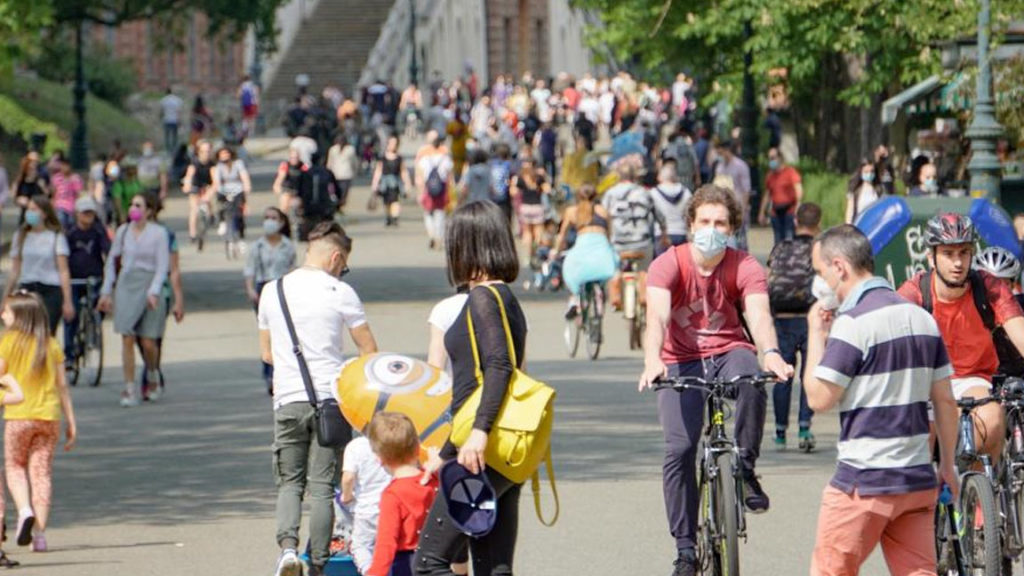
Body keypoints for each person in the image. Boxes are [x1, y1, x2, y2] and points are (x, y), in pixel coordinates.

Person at [637, 184, 794, 576]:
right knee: (680, 448)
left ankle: (745, 469)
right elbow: (655, 317)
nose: (711, 228)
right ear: (690, 225)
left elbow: (758, 316)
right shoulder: (667, 263)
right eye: (704, 221)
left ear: (732, 229)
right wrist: (652, 359)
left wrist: (770, 352)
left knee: (752, 379)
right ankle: (686, 550)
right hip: (679, 358)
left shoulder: (745, 266)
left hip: (729, 350)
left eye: (720, 223)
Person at [803, 224, 957, 576]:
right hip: (917, 479)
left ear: (839, 267)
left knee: (831, 570)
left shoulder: (854, 324)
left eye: (821, 271)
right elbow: (946, 401)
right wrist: (947, 465)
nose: (821, 281)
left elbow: (818, 397)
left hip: (864, 481)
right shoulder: (922, 319)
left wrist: (816, 334)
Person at [258, 222, 378, 576]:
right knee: (324, 487)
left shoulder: (272, 291)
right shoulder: (340, 292)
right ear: (336, 257)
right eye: (344, 266)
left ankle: (288, 550)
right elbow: (368, 350)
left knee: (290, 483)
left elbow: (267, 354)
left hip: (288, 401)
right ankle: (319, 565)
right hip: (332, 403)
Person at [415, 201, 525, 576]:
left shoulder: (482, 298)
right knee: (494, 567)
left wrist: (472, 437)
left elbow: (498, 368)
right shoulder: (507, 300)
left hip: (481, 449)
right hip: (505, 453)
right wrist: (447, 450)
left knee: (429, 562)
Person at [897, 213, 1024, 465]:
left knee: (993, 419)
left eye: (964, 252)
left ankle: (981, 496)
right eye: (948, 253)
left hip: (972, 379)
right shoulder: (915, 292)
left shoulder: (989, 287)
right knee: (922, 442)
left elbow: (1019, 333)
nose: (958, 262)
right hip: (927, 381)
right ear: (931, 257)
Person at [0, 292, 77, 553]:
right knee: (41, 473)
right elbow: (62, 386)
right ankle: (40, 535)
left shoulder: (7, 343)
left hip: (18, 417)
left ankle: (24, 511)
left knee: (15, 466)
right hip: (49, 416)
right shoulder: (51, 344)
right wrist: (72, 421)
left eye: (6, 312)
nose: (2, 316)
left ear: (19, 316)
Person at [97, 192, 171, 407]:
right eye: (132, 205)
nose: (133, 209)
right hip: (127, 284)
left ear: (148, 210)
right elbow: (112, 262)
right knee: (127, 336)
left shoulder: (158, 233)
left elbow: (162, 266)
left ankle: (152, 373)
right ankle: (129, 387)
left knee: (148, 340)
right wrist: (106, 291)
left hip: (149, 284)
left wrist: (154, 291)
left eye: (138, 205)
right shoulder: (123, 231)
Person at [766, 203, 821, 451]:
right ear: (818, 225)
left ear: (796, 222)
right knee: (808, 375)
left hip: (783, 318)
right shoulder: (819, 250)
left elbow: (769, 280)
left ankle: (779, 433)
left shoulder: (780, 248)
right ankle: (804, 429)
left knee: (783, 376)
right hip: (810, 319)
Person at [366, 412, 438, 576]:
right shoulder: (434, 481)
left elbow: (386, 543)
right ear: (418, 448)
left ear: (379, 459)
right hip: (436, 559)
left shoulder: (392, 495)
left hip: (405, 563)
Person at [4, 196, 74, 337]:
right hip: (27, 289)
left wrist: (67, 301)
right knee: (25, 335)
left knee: (45, 335)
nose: (30, 213)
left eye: (34, 209)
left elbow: (63, 271)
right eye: (28, 209)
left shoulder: (55, 237)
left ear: (44, 213)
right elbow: (15, 270)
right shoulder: (21, 236)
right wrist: (6, 297)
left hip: (50, 290)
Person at [244, 207, 295, 395]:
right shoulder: (257, 246)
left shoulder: (288, 245)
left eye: (273, 218)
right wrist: (250, 290)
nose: (269, 221)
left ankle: (281, 373)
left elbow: (292, 268)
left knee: (283, 333)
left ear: (281, 222)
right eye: (266, 217)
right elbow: (249, 270)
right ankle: (269, 373)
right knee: (268, 333)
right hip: (263, 288)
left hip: (282, 288)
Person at [602, 162, 662, 310]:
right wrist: (664, 231)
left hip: (618, 243)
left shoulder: (610, 194)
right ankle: (643, 292)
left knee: (615, 267)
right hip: (642, 241)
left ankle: (615, 289)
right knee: (644, 268)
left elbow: (603, 216)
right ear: (634, 176)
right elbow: (657, 215)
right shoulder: (644, 193)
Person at [556, 185, 618, 317]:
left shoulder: (572, 211)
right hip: (601, 247)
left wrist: (555, 251)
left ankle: (574, 298)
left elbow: (562, 235)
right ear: (595, 196)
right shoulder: (603, 211)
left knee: (569, 267)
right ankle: (599, 293)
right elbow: (610, 235)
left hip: (582, 246)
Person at [63, 197, 110, 369]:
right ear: (77, 214)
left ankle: (93, 331)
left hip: (95, 278)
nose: (88, 217)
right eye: (85, 213)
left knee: (99, 307)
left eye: (90, 213)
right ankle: (69, 353)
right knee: (71, 315)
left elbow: (107, 250)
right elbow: (62, 256)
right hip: (74, 280)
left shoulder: (98, 231)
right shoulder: (70, 233)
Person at [341, 432, 392, 574]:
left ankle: (369, 571)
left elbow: (348, 478)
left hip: (366, 509)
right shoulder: (395, 441)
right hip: (391, 505)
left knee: (360, 545)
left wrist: (346, 497)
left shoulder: (356, 446)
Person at [973, 246, 1024, 377]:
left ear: (1013, 285)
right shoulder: (968, 313)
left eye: (1004, 284)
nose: (997, 290)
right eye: (989, 283)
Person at [415, 132, 453, 250]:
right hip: (442, 190)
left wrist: (420, 192)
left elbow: (420, 177)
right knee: (440, 214)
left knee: (428, 213)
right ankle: (439, 237)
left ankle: (431, 234)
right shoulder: (445, 158)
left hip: (428, 189)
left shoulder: (425, 159)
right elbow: (450, 177)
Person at [712, 140, 751, 251]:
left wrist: (743, 209)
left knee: (741, 242)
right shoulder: (720, 167)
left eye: (720, 153)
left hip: (737, 207)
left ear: (726, 151)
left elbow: (746, 190)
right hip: (724, 208)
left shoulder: (741, 166)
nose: (719, 156)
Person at [758, 148, 802, 243]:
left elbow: (798, 189)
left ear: (780, 158)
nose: (771, 161)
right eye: (769, 158)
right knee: (778, 241)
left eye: (773, 158)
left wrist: (798, 207)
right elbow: (767, 195)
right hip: (776, 212)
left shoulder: (790, 172)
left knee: (789, 239)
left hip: (789, 212)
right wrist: (762, 212)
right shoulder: (770, 176)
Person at [210, 146, 252, 248]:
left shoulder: (238, 164)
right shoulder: (218, 167)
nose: (225, 156)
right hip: (224, 190)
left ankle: (241, 238)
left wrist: (247, 186)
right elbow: (217, 181)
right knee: (220, 205)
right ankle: (222, 222)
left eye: (227, 153)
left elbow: (244, 176)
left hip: (237, 190)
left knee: (239, 215)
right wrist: (219, 190)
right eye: (222, 154)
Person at [511, 157, 551, 260]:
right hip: (537, 207)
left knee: (527, 232)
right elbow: (548, 189)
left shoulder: (520, 178)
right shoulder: (539, 177)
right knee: (538, 232)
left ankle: (529, 255)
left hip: (525, 207)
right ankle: (537, 253)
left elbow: (513, 192)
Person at [650, 161, 691, 257]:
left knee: (662, 267)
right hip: (681, 233)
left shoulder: (654, 193)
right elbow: (690, 213)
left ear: (660, 177)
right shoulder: (686, 192)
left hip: (661, 235)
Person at [371, 135, 413, 227]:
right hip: (384, 183)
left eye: (395, 143)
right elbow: (378, 171)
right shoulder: (382, 158)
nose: (393, 145)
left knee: (395, 200)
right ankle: (388, 217)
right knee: (386, 201)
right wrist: (375, 184)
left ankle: (395, 217)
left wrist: (407, 183)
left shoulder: (399, 158)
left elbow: (403, 171)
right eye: (391, 143)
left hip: (395, 182)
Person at [13, 152, 48, 224]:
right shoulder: (20, 181)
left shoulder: (41, 180)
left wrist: (43, 188)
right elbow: (15, 197)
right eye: (31, 162)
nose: (33, 165)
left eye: (35, 162)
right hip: (25, 215)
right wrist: (19, 200)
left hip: (39, 215)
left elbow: (48, 197)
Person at [327, 136, 359, 214]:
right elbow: (354, 162)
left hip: (336, 174)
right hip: (346, 174)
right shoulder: (350, 149)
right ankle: (339, 205)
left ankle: (338, 205)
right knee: (344, 192)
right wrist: (355, 171)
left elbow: (329, 162)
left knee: (337, 191)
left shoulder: (333, 149)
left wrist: (328, 171)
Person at [272, 147, 308, 215]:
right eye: (292, 158)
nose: (294, 160)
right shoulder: (285, 165)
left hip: (298, 190)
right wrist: (276, 186)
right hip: (287, 188)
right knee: (284, 204)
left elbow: (308, 179)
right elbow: (280, 177)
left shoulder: (303, 166)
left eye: (296, 157)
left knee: (301, 207)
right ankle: (283, 217)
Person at [110, 160, 145, 226]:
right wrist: (121, 215)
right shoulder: (120, 184)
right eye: (133, 168)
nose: (136, 170)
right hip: (125, 215)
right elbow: (117, 200)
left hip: (137, 214)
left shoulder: (136, 181)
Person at [844, 160, 878, 224]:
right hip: (859, 225)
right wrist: (848, 227)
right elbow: (850, 211)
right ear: (861, 172)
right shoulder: (855, 190)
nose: (869, 174)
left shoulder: (878, 189)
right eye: (866, 172)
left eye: (872, 171)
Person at [160, 87, 184, 152]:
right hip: (175, 120)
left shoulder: (163, 100)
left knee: (167, 136)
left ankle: (168, 149)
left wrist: (161, 118)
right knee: (175, 136)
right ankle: (174, 149)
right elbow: (179, 112)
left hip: (166, 120)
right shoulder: (177, 100)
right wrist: (180, 121)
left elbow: (162, 111)